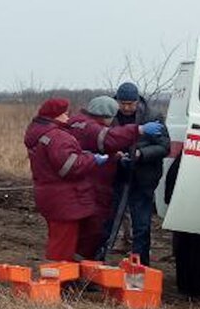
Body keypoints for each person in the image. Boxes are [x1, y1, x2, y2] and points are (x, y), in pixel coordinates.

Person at [65, 95, 162, 258]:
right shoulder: (92, 127)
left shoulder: (75, 122)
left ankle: (81, 263)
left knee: (85, 228)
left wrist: (115, 157)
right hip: (95, 184)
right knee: (94, 229)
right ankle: (86, 267)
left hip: (87, 183)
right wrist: (140, 130)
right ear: (104, 115)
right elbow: (110, 139)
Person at [24, 97, 108, 261]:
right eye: (65, 114)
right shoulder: (57, 137)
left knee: (63, 239)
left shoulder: (37, 133)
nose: (68, 118)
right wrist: (92, 159)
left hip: (48, 195)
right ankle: (57, 280)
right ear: (56, 115)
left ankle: (70, 276)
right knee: (62, 244)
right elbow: (69, 167)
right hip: (65, 199)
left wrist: (82, 156)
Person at [103, 82, 171, 266]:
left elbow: (165, 147)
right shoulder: (110, 115)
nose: (126, 108)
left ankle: (141, 265)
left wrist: (141, 154)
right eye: (122, 103)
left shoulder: (153, 116)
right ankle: (98, 260)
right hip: (116, 176)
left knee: (141, 225)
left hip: (143, 177)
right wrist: (115, 154)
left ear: (137, 101)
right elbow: (103, 140)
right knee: (108, 221)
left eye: (130, 104)